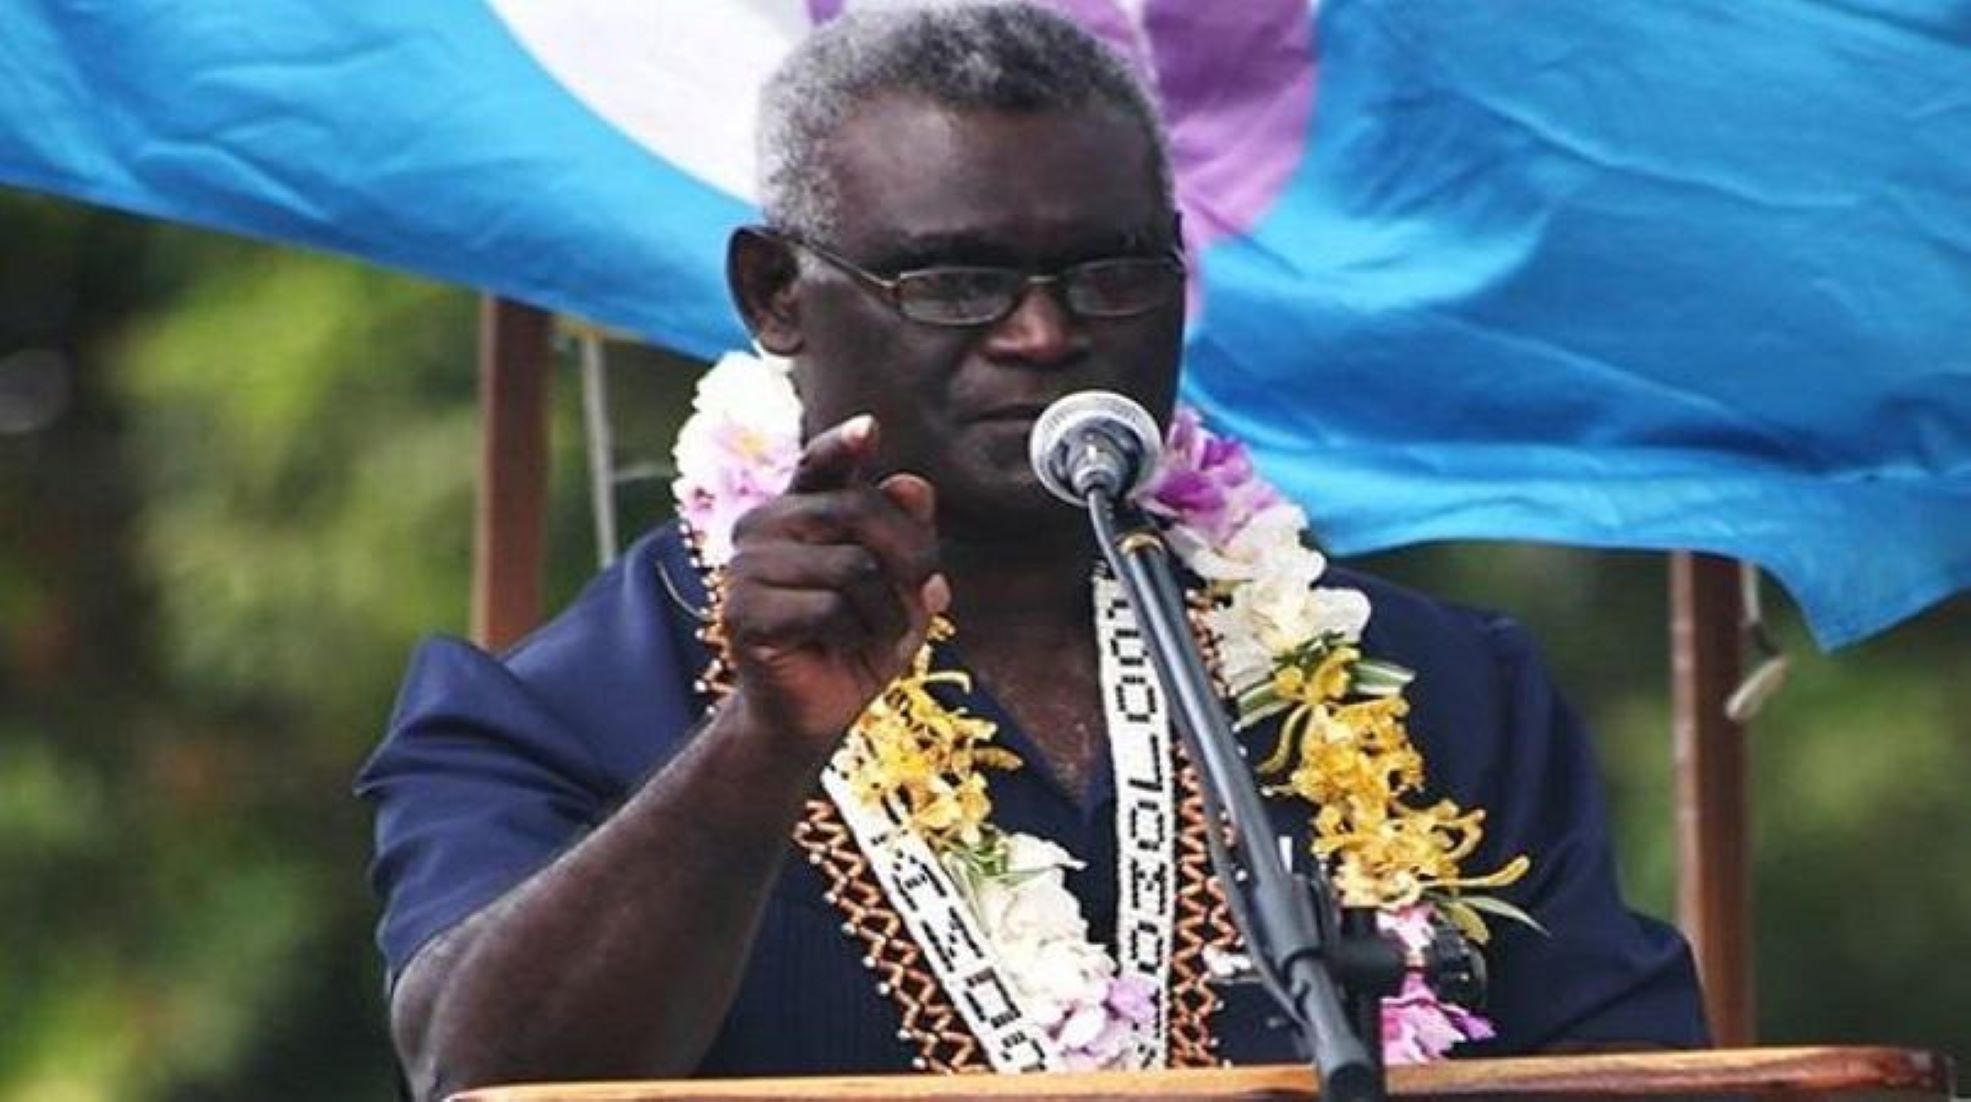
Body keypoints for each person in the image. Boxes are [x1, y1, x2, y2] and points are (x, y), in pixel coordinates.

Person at [358, 6, 1705, 1099]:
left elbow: (1651, 1077)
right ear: (778, 292)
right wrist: (762, 742)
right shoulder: (555, 708)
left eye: (1112, 272)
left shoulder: (1442, 686)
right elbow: (483, 1069)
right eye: (957, 282)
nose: (1046, 336)